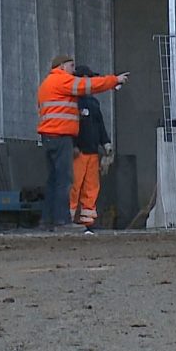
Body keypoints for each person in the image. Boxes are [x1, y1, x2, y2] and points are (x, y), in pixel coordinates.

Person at [37, 55, 128, 231]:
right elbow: (90, 85)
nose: (74, 70)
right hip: (60, 136)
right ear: (62, 66)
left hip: (49, 136)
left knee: (54, 179)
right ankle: (63, 221)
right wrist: (114, 80)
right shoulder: (62, 81)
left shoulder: (47, 84)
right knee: (65, 180)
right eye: (71, 66)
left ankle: (48, 220)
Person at [69, 65, 113, 235]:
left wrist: (106, 143)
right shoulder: (73, 101)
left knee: (91, 188)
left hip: (93, 152)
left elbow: (99, 125)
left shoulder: (93, 103)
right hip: (79, 152)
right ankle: (69, 220)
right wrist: (73, 145)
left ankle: (88, 222)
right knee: (74, 187)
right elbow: (70, 125)